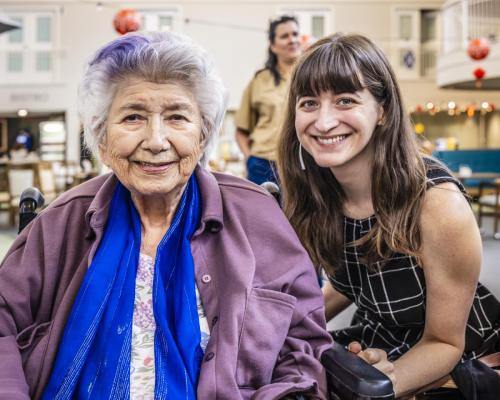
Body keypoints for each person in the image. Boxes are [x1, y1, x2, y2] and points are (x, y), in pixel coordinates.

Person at [0, 32, 332, 400]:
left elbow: (303, 342)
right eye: (132, 117)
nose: (156, 141)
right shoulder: (61, 222)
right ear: (102, 139)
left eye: (176, 117)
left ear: (203, 134)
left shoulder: (256, 218)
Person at [277, 33, 500, 398]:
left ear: (382, 111)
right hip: (377, 340)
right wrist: (282, 325)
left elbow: (445, 343)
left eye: (345, 100)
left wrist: (381, 383)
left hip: (460, 361)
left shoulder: (437, 203)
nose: (324, 121)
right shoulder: (319, 191)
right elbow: (350, 282)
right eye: (309, 103)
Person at [235, 15, 301, 185]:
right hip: (262, 164)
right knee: (260, 211)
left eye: (295, 34)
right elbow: (242, 129)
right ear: (273, 45)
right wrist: (250, 158)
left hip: (301, 162)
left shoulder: (311, 78)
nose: (292, 40)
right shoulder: (259, 81)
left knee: (298, 212)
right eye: (284, 36)